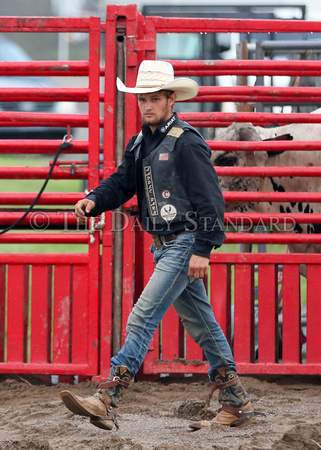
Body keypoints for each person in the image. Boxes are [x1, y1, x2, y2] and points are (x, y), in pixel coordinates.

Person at [60, 60, 254, 431]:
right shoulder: (140, 142)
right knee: (202, 324)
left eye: (153, 99)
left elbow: (210, 200)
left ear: (170, 100)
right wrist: (95, 199)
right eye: (142, 99)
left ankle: (108, 396)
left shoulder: (187, 142)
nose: (146, 106)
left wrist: (203, 248)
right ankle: (235, 401)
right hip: (165, 245)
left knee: (144, 314)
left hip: (183, 243)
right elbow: (122, 182)